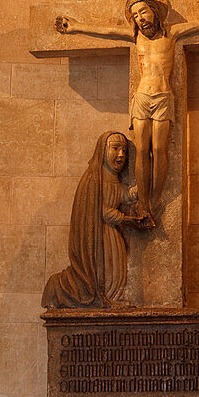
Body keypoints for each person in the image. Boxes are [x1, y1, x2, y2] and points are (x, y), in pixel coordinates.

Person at [55, 0, 199, 222]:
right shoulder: (135, 37)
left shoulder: (172, 34)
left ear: (154, 11)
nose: (140, 19)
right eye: (135, 16)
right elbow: (107, 32)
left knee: (159, 150)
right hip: (143, 97)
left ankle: (155, 199)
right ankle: (143, 201)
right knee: (142, 151)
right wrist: (75, 27)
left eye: (143, 12)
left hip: (163, 97)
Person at [41, 131, 148, 310]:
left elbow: (123, 195)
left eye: (124, 151)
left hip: (112, 233)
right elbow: (100, 210)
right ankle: (66, 289)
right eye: (115, 148)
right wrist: (126, 219)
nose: (121, 154)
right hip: (99, 235)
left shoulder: (112, 178)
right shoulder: (92, 179)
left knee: (116, 266)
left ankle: (112, 297)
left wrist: (143, 186)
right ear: (102, 151)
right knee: (104, 267)